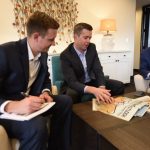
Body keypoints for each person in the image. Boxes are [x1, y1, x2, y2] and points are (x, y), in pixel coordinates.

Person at [0, 11, 72, 150]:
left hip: (31, 102)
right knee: (37, 126)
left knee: (66, 101)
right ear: (36, 37)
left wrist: (45, 92)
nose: (54, 43)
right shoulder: (5, 52)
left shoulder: (43, 53)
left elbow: (45, 79)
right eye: (51, 39)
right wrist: (12, 106)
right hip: (6, 110)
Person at [60, 23, 124, 104]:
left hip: (91, 81)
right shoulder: (66, 55)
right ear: (75, 37)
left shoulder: (92, 47)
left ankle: (110, 106)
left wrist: (102, 87)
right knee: (71, 95)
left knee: (119, 86)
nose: (88, 41)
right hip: (76, 84)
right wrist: (93, 90)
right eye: (85, 38)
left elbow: (98, 70)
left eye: (90, 38)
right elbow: (72, 82)